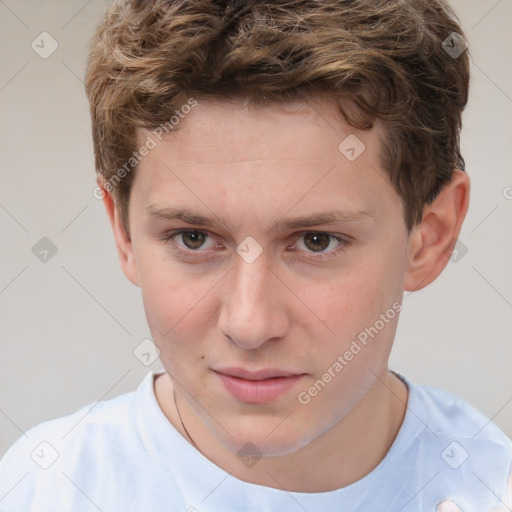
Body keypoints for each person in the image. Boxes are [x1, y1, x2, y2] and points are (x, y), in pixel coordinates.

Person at [1, 0, 511, 510]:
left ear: (432, 236)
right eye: (194, 238)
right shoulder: (40, 490)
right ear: (123, 232)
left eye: (316, 241)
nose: (249, 324)